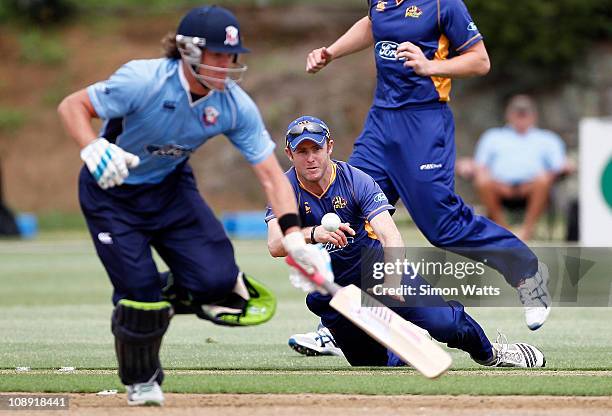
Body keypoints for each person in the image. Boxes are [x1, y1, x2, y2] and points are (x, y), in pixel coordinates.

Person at [57, 5, 327, 407]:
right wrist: (92, 146)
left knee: (218, 283)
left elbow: (271, 175)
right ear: (187, 51)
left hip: (170, 189)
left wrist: (295, 238)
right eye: (216, 55)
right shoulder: (142, 80)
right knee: (140, 301)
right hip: (110, 193)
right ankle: (142, 377)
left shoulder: (234, 104)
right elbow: (72, 106)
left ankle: (150, 296)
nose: (226, 65)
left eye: (231, 57)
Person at [305, 1, 551, 331]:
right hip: (381, 123)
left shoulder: (442, 5)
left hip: (424, 122)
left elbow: (480, 61)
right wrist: (331, 52)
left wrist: (429, 66)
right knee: (351, 211)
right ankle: (340, 325)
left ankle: (527, 273)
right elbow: (372, 23)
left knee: (442, 225)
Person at [266, 115, 545, 368]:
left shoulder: (355, 180)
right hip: (334, 293)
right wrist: (312, 233)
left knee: (445, 323)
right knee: (372, 366)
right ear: (289, 154)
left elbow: (390, 235)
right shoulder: (283, 188)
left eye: (315, 149)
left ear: (329, 147)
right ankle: (407, 348)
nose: (310, 158)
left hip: (375, 271)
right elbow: (275, 245)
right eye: (302, 151)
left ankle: (492, 354)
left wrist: (392, 280)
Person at [471, 95, 571, 241]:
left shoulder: (548, 139)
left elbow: (559, 165)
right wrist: (468, 167)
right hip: (499, 187)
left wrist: (567, 165)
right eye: (517, 113)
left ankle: (527, 231)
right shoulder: (492, 137)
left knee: (543, 178)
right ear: (508, 115)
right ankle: (503, 230)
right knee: (482, 178)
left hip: (532, 188)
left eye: (525, 113)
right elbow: (479, 165)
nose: (521, 117)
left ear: (534, 116)